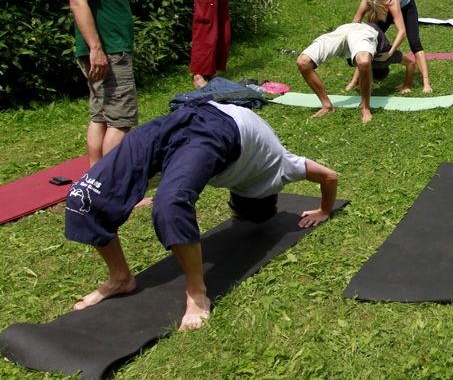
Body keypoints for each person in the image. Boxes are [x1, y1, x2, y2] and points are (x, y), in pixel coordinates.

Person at [64, 101, 339, 330]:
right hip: (215, 122)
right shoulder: (282, 167)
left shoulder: (269, 174)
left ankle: (197, 294)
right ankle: (120, 277)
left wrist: (325, 209)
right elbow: (329, 175)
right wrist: (324, 210)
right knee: (89, 197)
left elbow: (329, 176)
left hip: (193, 120)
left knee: (101, 196)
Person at [66, 0, 150, 166]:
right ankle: (111, 187)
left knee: (100, 117)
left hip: (109, 49)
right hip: (108, 50)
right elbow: (77, 1)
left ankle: (95, 181)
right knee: (121, 120)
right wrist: (96, 48)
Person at [296, 3, 414, 124]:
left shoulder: (365, 59)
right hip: (361, 30)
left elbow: (362, 66)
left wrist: (353, 83)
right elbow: (411, 62)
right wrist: (406, 85)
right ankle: (327, 106)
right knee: (304, 62)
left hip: (348, 28)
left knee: (362, 62)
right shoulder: (387, 57)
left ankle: (365, 108)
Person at [353, 0, 432, 93]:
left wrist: (389, 54)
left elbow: (402, 32)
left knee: (415, 42)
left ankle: (426, 83)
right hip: (383, 3)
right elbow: (355, 23)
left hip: (406, 7)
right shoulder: (368, 0)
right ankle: (355, 81)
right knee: (370, 38)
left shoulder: (392, 2)